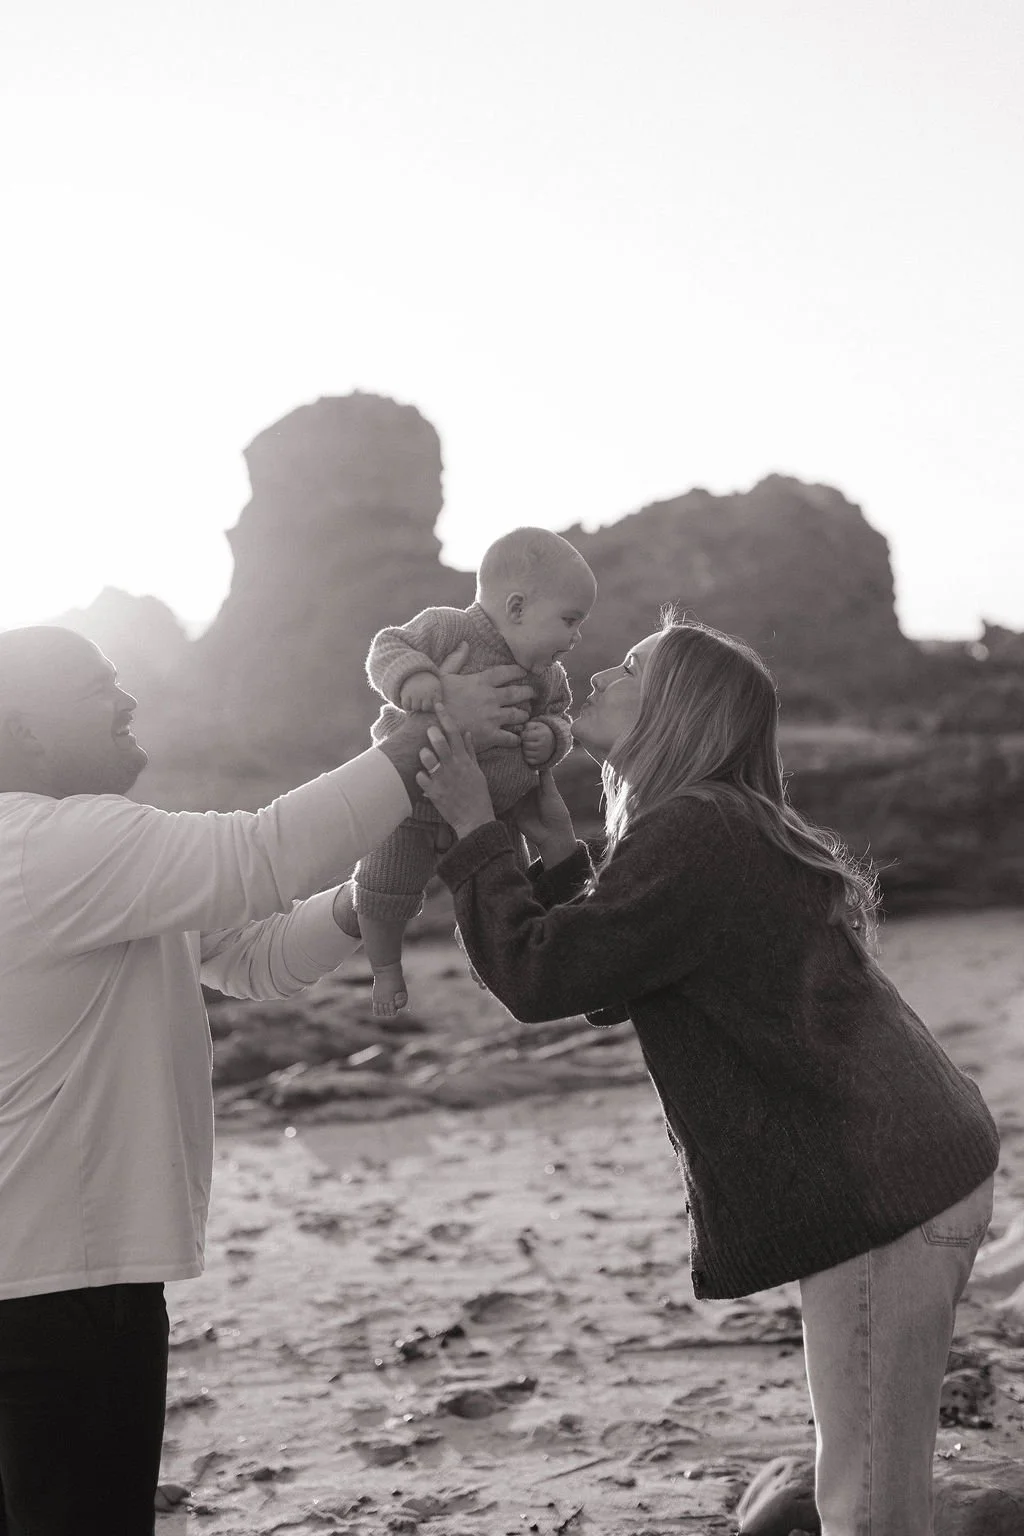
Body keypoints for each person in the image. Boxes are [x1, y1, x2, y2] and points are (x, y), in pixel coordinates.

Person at [416, 616, 999, 1536]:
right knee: (868, 1482)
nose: (602, 672)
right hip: (908, 1172)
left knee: (872, 1507)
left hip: (888, 1194)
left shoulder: (699, 829)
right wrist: (557, 844)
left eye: (633, 666)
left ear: (678, 706)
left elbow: (541, 977)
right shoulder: (718, 821)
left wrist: (470, 828)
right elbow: (615, 973)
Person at [0, 623, 533, 1536]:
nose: (128, 702)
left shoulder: (74, 858)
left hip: (49, 1273)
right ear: (26, 729)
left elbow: (253, 958)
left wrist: (376, 896)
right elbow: (261, 854)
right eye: (98, 688)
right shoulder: (50, 844)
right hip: (60, 1288)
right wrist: (423, 740)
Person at [353, 526, 597, 1016]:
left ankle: (490, 959)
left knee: (503, 890)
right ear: (516, 607)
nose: (575, 639)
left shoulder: (548, 676)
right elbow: (387, 647)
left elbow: (561, 720)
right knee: (383, 885)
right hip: (415, 798)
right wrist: (416, 677)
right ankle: (385, 968)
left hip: (495, 813)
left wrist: (549, 738)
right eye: (569, 621)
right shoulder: (447, 629)